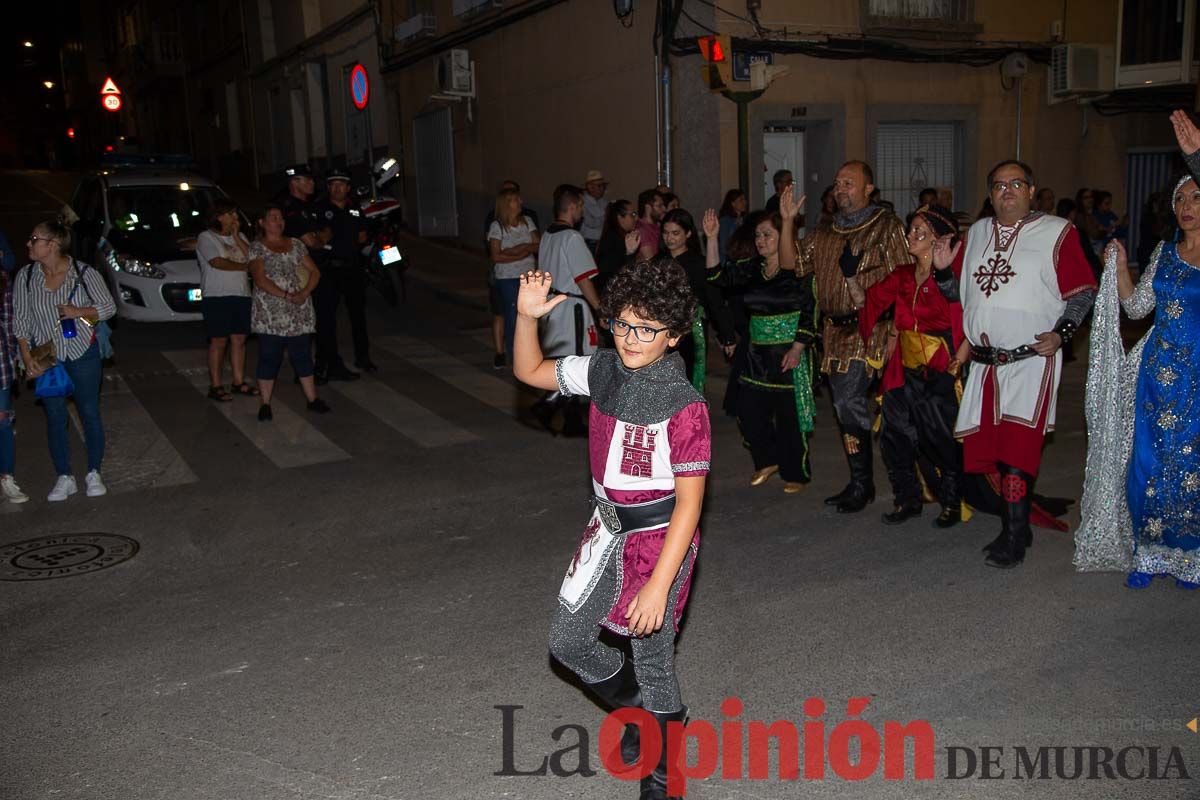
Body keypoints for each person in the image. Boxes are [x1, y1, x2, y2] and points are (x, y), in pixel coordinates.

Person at [514, 259, 708, 800]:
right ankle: (644, 714)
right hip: (606, 531)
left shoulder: (685, 406)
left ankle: (664, 775)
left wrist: (659, 584)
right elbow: (530, 373)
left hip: (659, 539)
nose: (632, 338)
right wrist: (526, 318)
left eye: (647, 329)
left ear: (671, 336)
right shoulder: (601, 370)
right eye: (623, 324)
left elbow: (690, 506)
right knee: (567, 641)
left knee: (652, 657)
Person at [933, 160, 1096, 568]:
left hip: (1030, 360)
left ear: (1031, 189)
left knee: (1016, 453)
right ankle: (1016, 525)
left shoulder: (1058, 232)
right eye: (999, 185)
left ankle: (1013, 534)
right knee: (990, 447)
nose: (1007, 191)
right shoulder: (976, 234)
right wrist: (940, 274)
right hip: (985, 365)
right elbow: (959, 294)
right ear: (990, 195)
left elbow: (1081, 291)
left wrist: (1063, 332)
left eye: (1016, 183)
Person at [1076, 109, 1200, 588]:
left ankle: (1189, 556)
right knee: (1148, 461)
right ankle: (1148, 552)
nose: (1186, 206)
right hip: (1156, 373)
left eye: (1196, 196)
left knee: (1190, 464)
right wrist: (1122, 266)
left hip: (1197, 377)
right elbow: (1136, 307)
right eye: (1180, 199)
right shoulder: (1165, 254)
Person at [797, 161, 910, 512]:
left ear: (868, 190)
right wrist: (786, 222)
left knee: (851, 404)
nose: (840, 188)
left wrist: (896, 331)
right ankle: (862, 482)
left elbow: (906, 278)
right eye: (837, 183)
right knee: (846, 408)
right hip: (834, 331)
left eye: (849, 182)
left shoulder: (887, 226)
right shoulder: (826, 229)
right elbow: (795, 262)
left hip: (873, 329)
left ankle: (870, 485)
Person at [857, 206, 965, 525]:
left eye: (920, 231)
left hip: (940, 369)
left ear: (939, 239)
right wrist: (850, 277)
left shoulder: (950, 278)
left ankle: (952, 500)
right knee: (893, 434)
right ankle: (908, 498)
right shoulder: (903, 274)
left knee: (940, 438)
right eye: (910, 230)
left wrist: (958, 362)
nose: (911, 236)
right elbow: (868, 302)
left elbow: (965, 321)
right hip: (904, 368)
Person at [706, 200, 818, 493]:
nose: (760, 241)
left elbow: (809, 310)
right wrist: (711, 238)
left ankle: (796, 473)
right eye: (757, 235)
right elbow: (716, 276)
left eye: (768, 234)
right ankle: (767, 460)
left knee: (789, 416)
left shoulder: (797, 270)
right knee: (748, 409)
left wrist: (797, 348)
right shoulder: (752, 269)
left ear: (782, 236)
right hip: (757, 353)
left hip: (788, 353)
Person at [13, 219, 116, 501]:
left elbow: (108, 309)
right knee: (55, 417)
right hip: (46, 355)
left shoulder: (84, 273)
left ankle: (93, 471)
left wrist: (78, 311)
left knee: (89, 413)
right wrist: (26, 358)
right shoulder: (26, 276)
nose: (29, 244)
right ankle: (64, 476)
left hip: (82, 351)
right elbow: (21, 320)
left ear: (53, 245)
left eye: (34, 239)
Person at [528, 184, 602, 436]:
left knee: (564, 361)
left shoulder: (548, 234)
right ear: (572, 207)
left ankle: (571, 422)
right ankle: (547, 405)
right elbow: (583, 279)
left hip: (553, 305)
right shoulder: (572, 237)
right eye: (580, 205)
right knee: (578, 363)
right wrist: (599, 308)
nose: (582, 210)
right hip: (572, 308)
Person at [248, 205, 330, 420]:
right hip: (270, 312)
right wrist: (285, 295)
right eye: (273, 217)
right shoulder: (257, 248)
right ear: (262, 223)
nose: (279, 221)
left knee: (302, 355)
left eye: (281, 218)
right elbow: (259, 279)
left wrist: (304, 292)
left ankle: (312, 399)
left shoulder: (295, 244)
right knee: (269, 357)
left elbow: (314, 271)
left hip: (299, 310)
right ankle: (265, 403)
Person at [661, 208, 735, 391]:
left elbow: (713, 299)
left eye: (675, 233)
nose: (669, 238)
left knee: (686, 382)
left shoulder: (699, 263)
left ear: (688, 233)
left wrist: (727, 335)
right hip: (660, 331)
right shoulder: (658, 262)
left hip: (690, 332)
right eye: (666, 233)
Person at [314, 168, 373, 379]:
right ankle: (325, 362)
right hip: (330, 268)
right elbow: (319, 238)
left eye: (342, 184)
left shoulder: (355, 209)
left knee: (357, 314)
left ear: (348, 188)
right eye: (333, 184)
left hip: (352, 267)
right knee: (327, 317)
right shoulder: (321, 209)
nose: (338, 188)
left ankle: (363, 357)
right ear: (328, 187)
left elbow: (363, 235)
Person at [196, 199, 254, 402]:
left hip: (241, 294)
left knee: (239, 339)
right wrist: (244, 268)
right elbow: (216, 262)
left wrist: (237, 236)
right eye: (232, 215)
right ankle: (216, 385)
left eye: (236, 215)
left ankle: (238, 382)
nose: (235, 219)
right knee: (218, 341)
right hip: (216, 296)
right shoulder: (206, 237)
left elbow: (253, 258)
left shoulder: (241, 237)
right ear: (219, 216)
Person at [484, 180, 539, 368]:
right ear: (507, 203)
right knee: (513, 315)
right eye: (516, 200)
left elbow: (537, 245)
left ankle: (530, 351)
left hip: (528, 277)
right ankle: (515, 354)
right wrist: (523, 251)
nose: (521, 202)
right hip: (507, 278)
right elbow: (496, 256)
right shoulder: (496, 227)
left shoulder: (528, 222)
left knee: (530, 315)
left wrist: (517, 249)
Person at [0, 264, 26, 503]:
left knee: (2, 423)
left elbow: (9, 326)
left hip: (0, 367)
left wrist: (15, 360)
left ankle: (6, 476)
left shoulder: (3, 280)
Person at [594, 199, 637, 294]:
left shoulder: (617, 236)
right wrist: (630, 253)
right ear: (620, 218)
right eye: (632, 215)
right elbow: (613, 271)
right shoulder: (614, 239)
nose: (636, 218)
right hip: (611, 292)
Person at [581, 170, 610, 251]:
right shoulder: (582, 202)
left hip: (603, 242)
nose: (602, 189)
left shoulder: (604, 201)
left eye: (603, 186)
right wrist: (605, 217)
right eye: (599, 186)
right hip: (589, 243)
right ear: (590, 187)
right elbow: (591, 223)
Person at [716, 189, 747, 263]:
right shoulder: (725, 221)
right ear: (733, 203)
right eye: (741, 200)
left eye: (745, 199)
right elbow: (724, 247)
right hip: (728, 261)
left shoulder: (743, 219)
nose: (745, 202)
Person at [634, 188, 665, 261]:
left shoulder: (659, 226)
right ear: (648, 207)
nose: (664, 209)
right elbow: (651, 261)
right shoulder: (641, 230)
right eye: (659, 206)